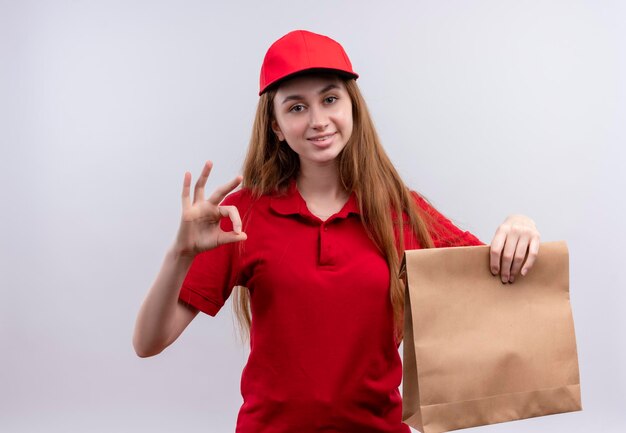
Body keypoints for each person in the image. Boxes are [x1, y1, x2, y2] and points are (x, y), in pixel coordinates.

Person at [133, 30, 541, 433]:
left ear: (352, 108)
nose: (318, 121)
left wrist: (519, 225)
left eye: (330, 99)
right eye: (296, 108)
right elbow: (149, 343)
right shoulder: (243, 215)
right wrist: (179, 254)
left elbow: (498, 283)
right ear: (275, 126)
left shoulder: (400, 210)